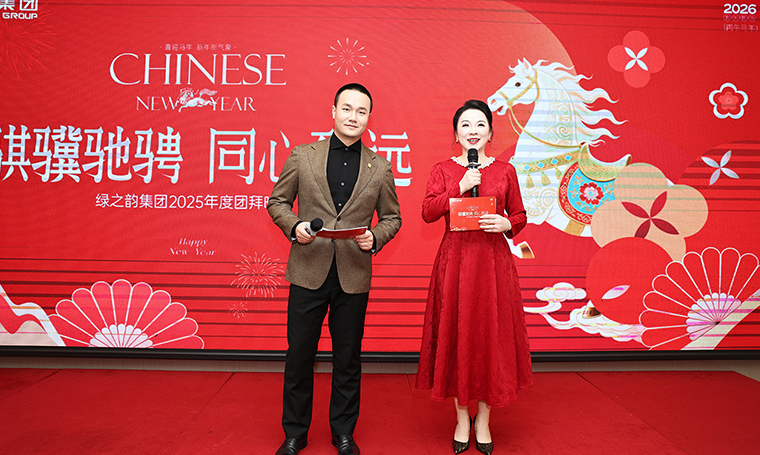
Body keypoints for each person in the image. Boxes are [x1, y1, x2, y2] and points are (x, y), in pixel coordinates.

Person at [267, 83, 402, 455]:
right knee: (299, 356)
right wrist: (295, 226)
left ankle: (343, 432)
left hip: (353, 274)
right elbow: (277, 201)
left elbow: (392, 217)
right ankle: (295, 433)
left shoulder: (380, 167)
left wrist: (374, 237)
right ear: (333, 111)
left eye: (361, 111)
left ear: (368, 118)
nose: (353, 117)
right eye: (347, 109)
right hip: (307, 270)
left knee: (347, 358)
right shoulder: (303, 155)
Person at [416, 99, 533, 454]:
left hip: (493, 265)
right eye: (465, 125)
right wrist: (461, 186)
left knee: (488, 338)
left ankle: (483, 419)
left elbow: (520, 215)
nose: (473, 131)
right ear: (456, 133)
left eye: (480, 125)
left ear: (490, 132)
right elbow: (428, 212)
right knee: (458, 335)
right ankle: (461, 419)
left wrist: (506, 224)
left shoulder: (505, 171)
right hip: (455, 264)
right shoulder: (443, 170)